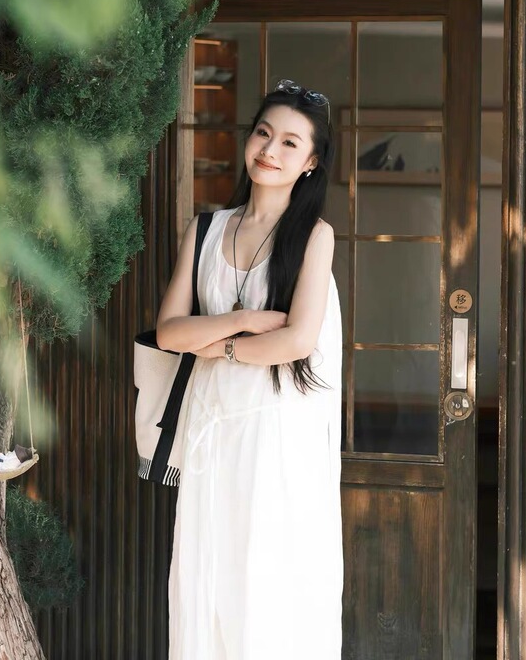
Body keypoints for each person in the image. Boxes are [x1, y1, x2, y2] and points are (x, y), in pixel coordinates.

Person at [156, 79, 343, 660]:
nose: (270, 150)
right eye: (264, 133)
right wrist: (246, 321)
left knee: (266, 581)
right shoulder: (207, 229)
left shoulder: (313, 236)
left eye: (290, 143)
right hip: (211, 431)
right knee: (210, 576)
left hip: (275, 434)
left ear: (310, 163)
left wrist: (219, 346)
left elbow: (297, 341)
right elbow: (169, 333)